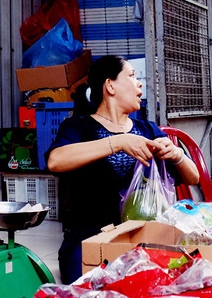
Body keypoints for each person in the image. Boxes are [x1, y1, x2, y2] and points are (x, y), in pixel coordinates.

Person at [46, 55, 200, 283]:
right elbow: (55, 161)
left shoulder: (148, 129)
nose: (139, 84)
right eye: (131, 75)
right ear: (110, 85)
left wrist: (177, 155)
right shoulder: (79, 126)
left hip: (145, 241)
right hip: (92, 241)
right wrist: (118, 142)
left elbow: (193, 177)